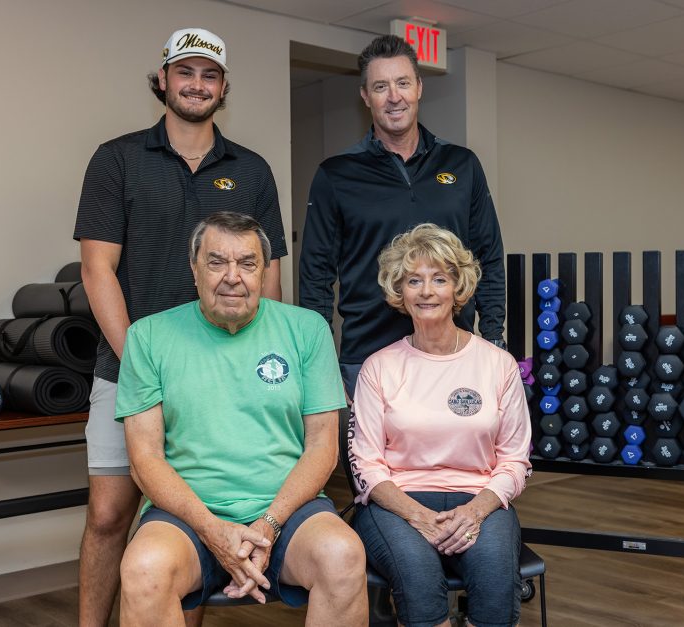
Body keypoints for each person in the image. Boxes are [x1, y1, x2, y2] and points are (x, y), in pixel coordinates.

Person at [72, 27, 286, 625]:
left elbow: (266, 282)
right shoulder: (117, 159)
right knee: (110, 515)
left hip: (221, 381)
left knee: (195, 517)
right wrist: (143, 364)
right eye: (185, 72)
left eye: (209, 75)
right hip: (126, 370)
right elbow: (97, 271)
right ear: (163, 79)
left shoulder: (253, 169)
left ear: (223, 88)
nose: (197, 84)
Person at [116, 212, 367, 625]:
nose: (233, 276)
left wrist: (268, 524)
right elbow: (144, 460)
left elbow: (323, 448)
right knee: (143, 569)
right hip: (186, 517)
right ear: (194, 269)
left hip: (287, 514)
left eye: (247, 264)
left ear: (264, 272)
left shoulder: (307, 330)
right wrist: (213, 530)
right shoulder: (148, 337)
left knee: (342, 554)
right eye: (216, 262)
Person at [299, 34, 506, 399]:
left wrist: (492, 337)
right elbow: (316, 275)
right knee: (372, 458)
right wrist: (318, 363)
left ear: (419, 88)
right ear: (365, 96)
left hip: (453, 351)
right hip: (366, 356)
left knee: (458, 456)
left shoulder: (462, 165)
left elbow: (487, 255)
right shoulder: (336, 174)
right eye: (381, 86)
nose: (394, 96)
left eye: (403, 83)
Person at [349, 224, 531, 627]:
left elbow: (515, 459)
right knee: (418, 580)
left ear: (458, 289)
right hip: (396, 502)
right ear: (400, 292)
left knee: (496, 582)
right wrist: (418, 516)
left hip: (479, 497)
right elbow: (366, 464)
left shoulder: (497, 364)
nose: (426, 291)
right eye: (413, 280)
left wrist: (477, 510)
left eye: (439, 279)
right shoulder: (379, 367)